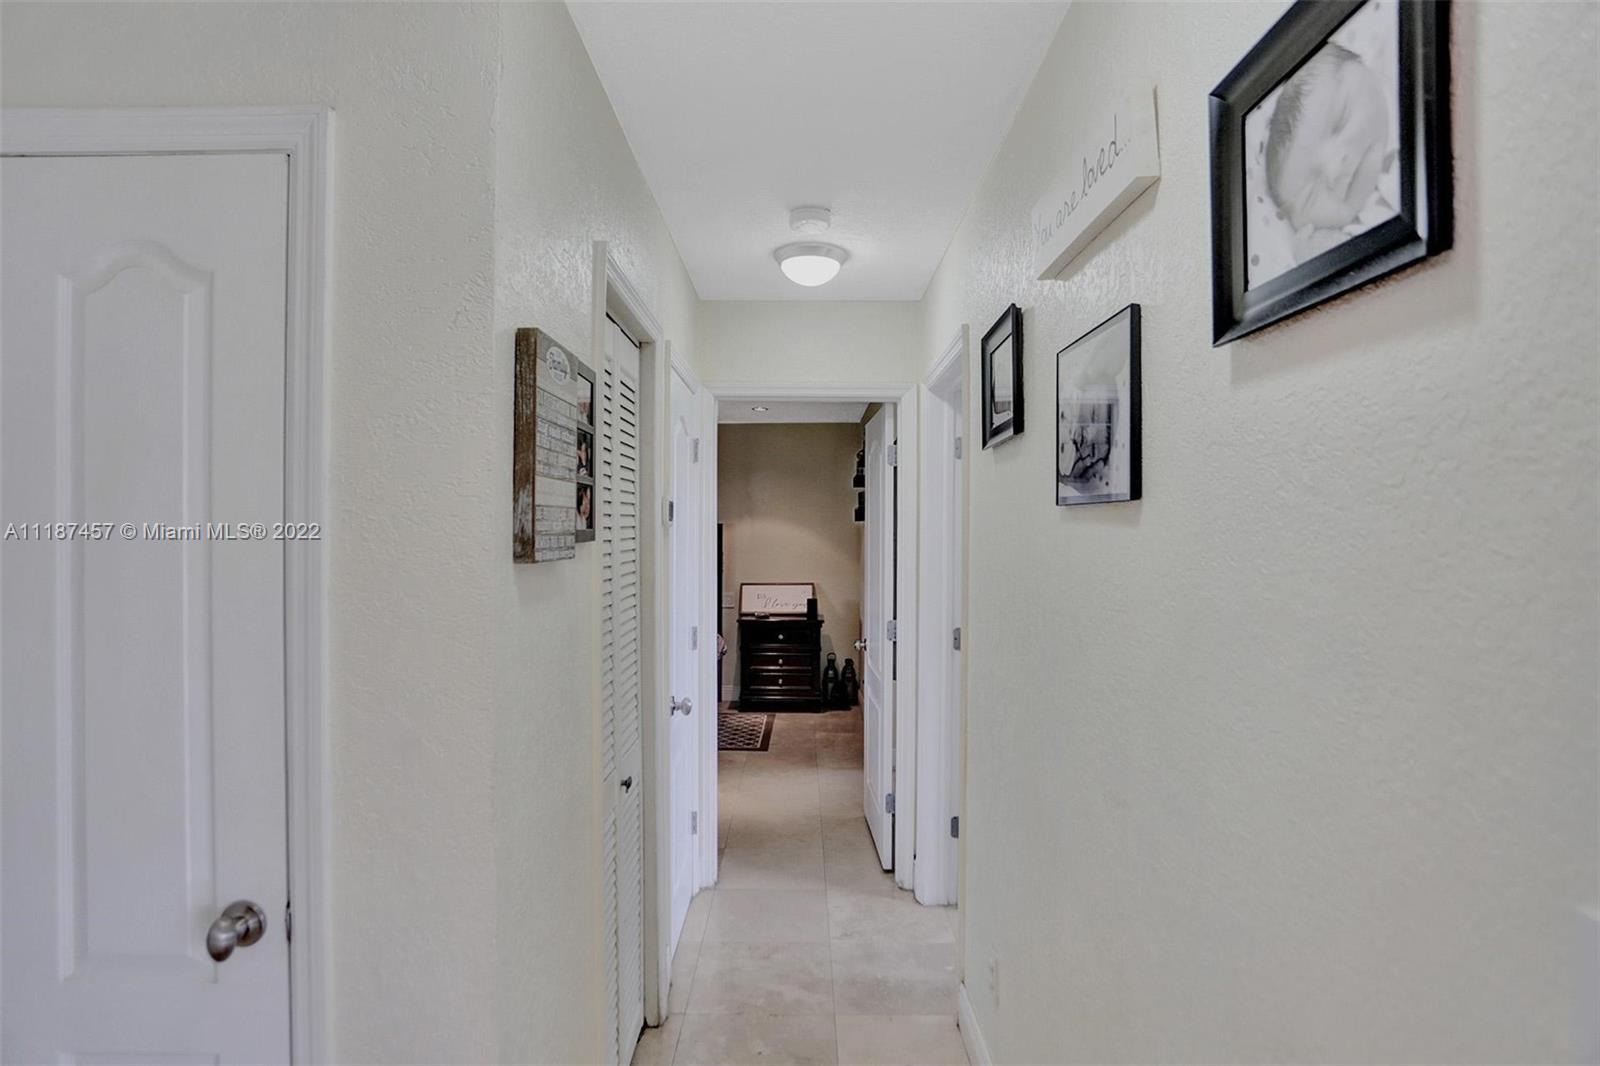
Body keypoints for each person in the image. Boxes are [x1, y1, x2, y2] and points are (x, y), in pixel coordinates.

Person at [1264, 42, 1396, 263]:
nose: (1336, 170)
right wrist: (1321, 257)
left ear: (1362, 67)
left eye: (1339, 121)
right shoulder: (1361, 227)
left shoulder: (1398, 65)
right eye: (1312, 195)